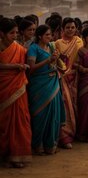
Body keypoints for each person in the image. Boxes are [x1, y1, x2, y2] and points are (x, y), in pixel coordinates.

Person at [26, 25, 65, 156]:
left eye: (50, 35)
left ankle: (50, 144)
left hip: (53, 82)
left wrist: (57, 59)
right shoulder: (33, 49)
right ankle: (37, 145)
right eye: (47, 35)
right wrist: (48, 60)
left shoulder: (52, 47)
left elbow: (57, 65)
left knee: (53, 114)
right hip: (39, 85)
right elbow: (31, 68)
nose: (50, 37)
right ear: (39, 36)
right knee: (39, 116)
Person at [0, 18, 32, 168]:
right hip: (3, 87)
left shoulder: (19, 48)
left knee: (20, 119)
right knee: (4, 121)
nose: (14, 36)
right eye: (11, 33)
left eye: (16, 33)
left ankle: (17, 155)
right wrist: (15, 66)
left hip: (18, 87)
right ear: (2, 33)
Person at [55, 17, 83, 149]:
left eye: (73, 27)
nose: (70, 30)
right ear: (62, 29)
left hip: (77, 77)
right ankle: (65, 136)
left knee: (77, 104)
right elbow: (57, 62)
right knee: (66, 106)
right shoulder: (57, 43)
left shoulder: (79, 41)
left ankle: (77, 133)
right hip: (64, 78)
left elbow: (82, 58)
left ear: (76, 28)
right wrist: (64, 72)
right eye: (68, 27)